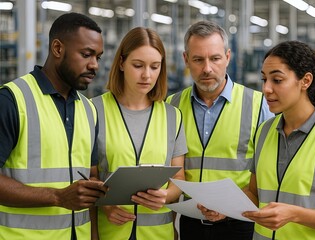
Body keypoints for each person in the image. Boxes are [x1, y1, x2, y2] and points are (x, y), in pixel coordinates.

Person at [0, 12, 108, 240]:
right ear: (57, 49)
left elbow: (88, 184)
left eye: (98, 57)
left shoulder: (89, 110)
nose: (94, 65)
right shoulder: (12, 100)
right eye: (86, 54)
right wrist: (57, 197)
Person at [166, 20, 273, 240]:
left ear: (227, 57)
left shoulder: (258, 105)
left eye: (215, 58)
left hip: (241, 223)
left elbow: (269, 172)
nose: (207, 68)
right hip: (191, 223)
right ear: (186, 59)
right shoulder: (172, 107)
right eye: (198, 59)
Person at [242, 40, 315, 240]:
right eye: (264, 80)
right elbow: (254, 193)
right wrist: (221, 207)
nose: (266, 89)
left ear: (305, 81)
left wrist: (295, 215)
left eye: (277, 80)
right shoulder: (264, 131)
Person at [92, 27, 187, 240]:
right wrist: (106, 207)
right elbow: (90, 176)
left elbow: (178, 177)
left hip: (158, 234)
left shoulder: (173, 116)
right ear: (121, 63)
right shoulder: (94, 111)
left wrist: (166, 196)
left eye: (155, 67)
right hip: (111, 232)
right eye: (138, 65)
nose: (147, 75)